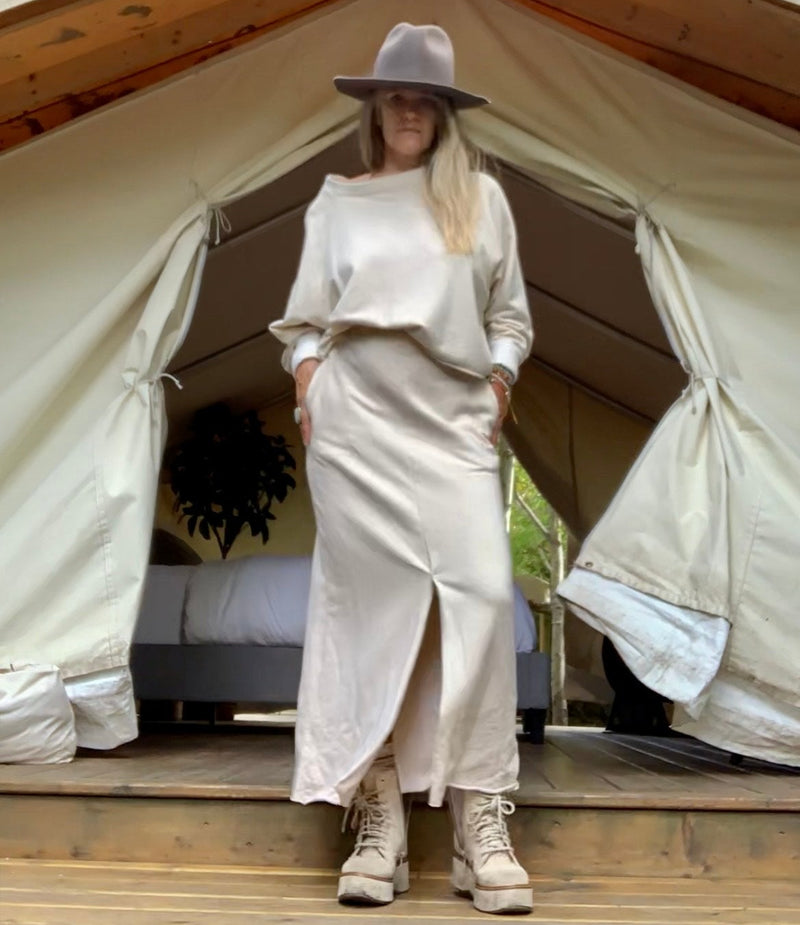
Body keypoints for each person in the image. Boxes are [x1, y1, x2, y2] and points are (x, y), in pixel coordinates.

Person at [269, 22, 534, 916]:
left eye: (426, 96)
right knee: (372, 618)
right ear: (377, 108)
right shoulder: (336, 202)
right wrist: (310, 384)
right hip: (356, 431)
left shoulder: (483, 200)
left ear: (444, 112)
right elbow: (304, 321)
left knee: (483, 602)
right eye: (396, 95)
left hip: (453, 426)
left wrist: (498, 386)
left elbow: (512, 319)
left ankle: (478, 820)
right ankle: (378, 819)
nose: (410, 109)